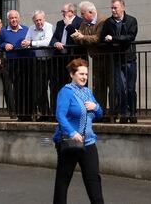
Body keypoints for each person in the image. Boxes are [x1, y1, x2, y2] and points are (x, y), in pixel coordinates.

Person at [52, 58, 105, 204]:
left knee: (93, 178)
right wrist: (72, 133)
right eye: (81, 74)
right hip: (70, 142)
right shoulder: (66, 92)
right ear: (72, 74)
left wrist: (96, 108)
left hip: (88, 142)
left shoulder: (88, 92)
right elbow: (60, 115)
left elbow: (100, 114)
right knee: (64, 179)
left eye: (86, 74)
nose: (84, 77)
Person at [100, 0, 138, 124]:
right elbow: (102, 38)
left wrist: (114, 38)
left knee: (131, 88)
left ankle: (132, 113)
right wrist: (108, 41)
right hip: (116, 60)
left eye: (115, 8)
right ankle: (123, 113)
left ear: (123, 7)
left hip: (129, 59)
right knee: (120, 89)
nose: (113, 10)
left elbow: (130, 37)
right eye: (112, 8)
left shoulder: (131, 20)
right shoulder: (108, 22)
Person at [72, 1, 111, 120]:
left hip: (108, 58)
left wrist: (82, 37)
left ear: (91, 12)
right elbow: (80, 37)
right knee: (98, 86)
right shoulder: (84, 23)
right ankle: (100, 112)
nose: (81, 17)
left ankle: (113, 114)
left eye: (83, 14)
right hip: (96, 58)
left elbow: (97, 38)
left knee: (111, 85)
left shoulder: (102, 21)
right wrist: (77, 37)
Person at [50, 3, 83, 112]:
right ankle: (57, 110)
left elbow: (78, 38)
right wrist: (56, 43)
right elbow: (53, 38)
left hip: (73, 58)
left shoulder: (80, 22)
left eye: (64, 11)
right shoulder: (60, 23)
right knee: (58, 85)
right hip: (60, 58)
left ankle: (74, 110)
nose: (62, 14)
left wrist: (69, 25)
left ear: (71, 12)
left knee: (73, 85)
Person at [0, 10, 31, 120]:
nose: (14, 20)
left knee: (23, 89)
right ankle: (15, 112)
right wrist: (5, 45)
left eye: (15, 17)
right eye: (11, 18)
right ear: (8, 20)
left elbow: (31, 41)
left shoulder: (26, 29)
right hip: (10, 63)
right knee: (11, 90)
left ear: (19, 18)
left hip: (24, 63)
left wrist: (27, 44)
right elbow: (0, 45)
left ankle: (24, 113)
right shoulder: (3, 31)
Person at [23, 10, 54, 121]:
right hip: (38, 61)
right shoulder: (31, 28)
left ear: (44, 19)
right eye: (36, 20)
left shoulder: (49, 26)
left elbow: (47, 42)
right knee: (40, 89)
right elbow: (26, 40)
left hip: (50, 61)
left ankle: (53, 114)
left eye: (40, 20)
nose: (38, 22)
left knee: (53, 88)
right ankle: (45, 113)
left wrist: (31, 43)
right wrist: (25, 43)